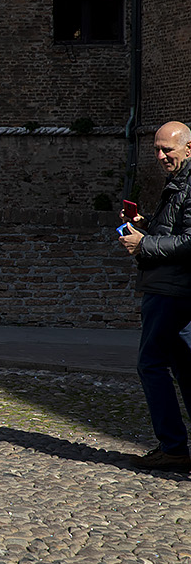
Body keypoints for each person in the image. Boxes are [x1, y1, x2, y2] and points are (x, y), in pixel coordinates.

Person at [118, 120, 191, 471]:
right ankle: (176, 448)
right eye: (157, 149)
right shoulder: (178, 182)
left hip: (171, 291)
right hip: (171, 286)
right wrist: (145, 225)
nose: (161, 155)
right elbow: (176, 231)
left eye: (168, 150)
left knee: (150, 364)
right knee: (184, 367)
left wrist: (143, 243)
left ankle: (174, 447)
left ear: (188, 149)